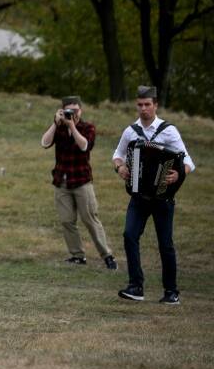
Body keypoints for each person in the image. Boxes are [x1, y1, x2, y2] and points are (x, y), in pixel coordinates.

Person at [113, 86, 194, 305]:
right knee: (129, 235)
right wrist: (120, 168)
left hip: (162, 197)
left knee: (165, 244)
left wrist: (177, 175)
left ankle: (171, 291)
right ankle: (135, 286)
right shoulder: (131, 132)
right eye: (139, 104)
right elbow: (118, 155)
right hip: (139, 196)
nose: (143, 108)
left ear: (155, 105)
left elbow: (188, 162)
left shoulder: (169, 131)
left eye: (147, 104)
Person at [41, 96, 116, 269]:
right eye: (68, 111)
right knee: (67, 220)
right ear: (62, 111)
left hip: (82, 181)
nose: (72, 114)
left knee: (90, 218)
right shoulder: (58, 127)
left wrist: (72, 126)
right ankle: (77, 256)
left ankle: (107, 256)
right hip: (62, 180)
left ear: (81, 110)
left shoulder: (87, 127)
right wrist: (55, 123)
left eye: (75, 110)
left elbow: (84, 146)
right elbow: (44, 143)